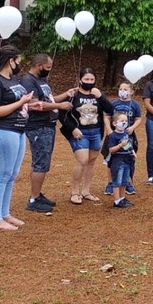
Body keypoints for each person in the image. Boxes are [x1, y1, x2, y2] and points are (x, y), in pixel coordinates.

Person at [0, 45, 41, 230]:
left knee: (11, 175)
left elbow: (16, 104)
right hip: (2, 132)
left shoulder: (13, 79)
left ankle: (4, 213)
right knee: (1, 175)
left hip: (17, 131)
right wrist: (21, 102)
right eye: (18, 61)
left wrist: (30, 106)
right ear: (11, 61)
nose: (19, 65)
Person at [21, 54, 75, 214]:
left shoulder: (41, 80)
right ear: (39, 65)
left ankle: (37, 195)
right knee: (40, 163)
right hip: (38, 127)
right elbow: (35, 104)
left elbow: (49, 101)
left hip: (48, 126)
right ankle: (33, 199)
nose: (49, 71)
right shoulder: (28, 81)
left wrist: (66, 94)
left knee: (43, 162)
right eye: (48, 68)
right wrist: (60, 105)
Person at [59, 68, 113, 204]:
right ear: (80, 80)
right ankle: (74, 192)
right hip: (79, 132)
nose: (89, 82)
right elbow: (61, 114)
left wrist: (101, 97)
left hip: (95, 132)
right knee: (82, 160)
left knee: (91, 162)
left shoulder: (97, 94)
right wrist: (72, 129)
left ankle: (86, 191)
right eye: (86, 79)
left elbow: (110, 110)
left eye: (92, 80)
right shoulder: (73, 94)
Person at [104, 82, 143, 196]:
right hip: (114, 135)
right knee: (111, 158)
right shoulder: (114, 103)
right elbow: (107, 117)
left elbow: (138, 118)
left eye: (125, 89)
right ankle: (111, 183)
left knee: (128, 157)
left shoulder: (135, 104)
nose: (122, 91)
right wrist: (108, 129)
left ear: (131, 92)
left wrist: (133, 127)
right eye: (120, 89)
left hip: (127, 136)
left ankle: (127, 183)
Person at [106, 113, 136, 209]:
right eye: (122, 121)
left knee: (124, 181)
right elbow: (111, 150)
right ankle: (117, 200)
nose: (124, 123)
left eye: (126, 121)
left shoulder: (126, 134)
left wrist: (132, 152)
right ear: (115, 123)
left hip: (127, 160)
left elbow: (128, 145)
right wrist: (120, 146)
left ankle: (122, 198)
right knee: (117, 181)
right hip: (117, 161)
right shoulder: (112, 136)